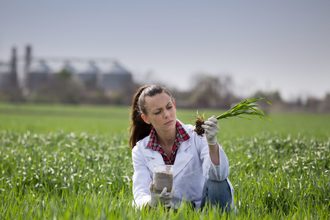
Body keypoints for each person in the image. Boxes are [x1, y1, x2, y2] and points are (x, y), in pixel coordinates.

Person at [129, 84, 234, 210]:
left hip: (204, 208)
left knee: (219, 182)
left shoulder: (197, 136)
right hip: (169, 212)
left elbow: (219, 177)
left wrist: (212, 143)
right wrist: (153, 201)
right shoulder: (140, 150)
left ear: (174, 104)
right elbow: (140, 194)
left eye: (169, 107)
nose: (167, 114)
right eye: (158, 112)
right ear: (146, 118)